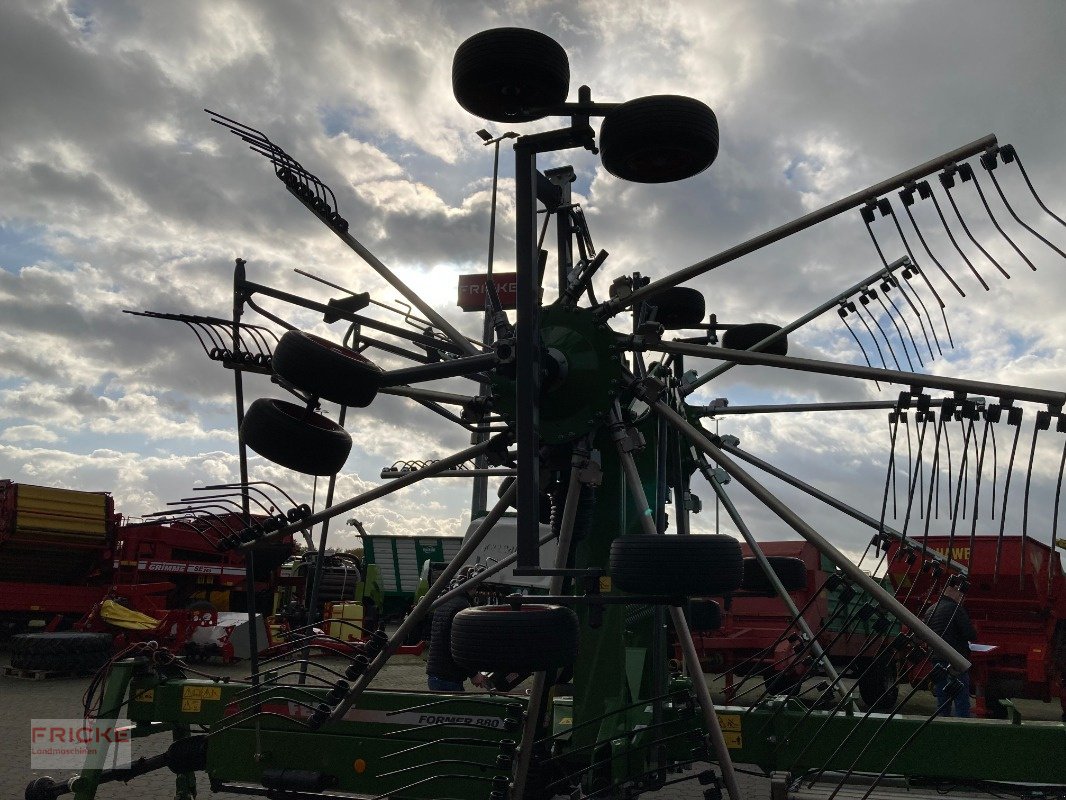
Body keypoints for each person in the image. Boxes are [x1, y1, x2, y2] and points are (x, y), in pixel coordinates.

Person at [426, 569, 484, 692]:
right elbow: (459, 645)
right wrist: (474, 674)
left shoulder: (445, 601)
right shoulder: (462, 607)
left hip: (436, 672)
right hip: (449, 676)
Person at [925, 582, 978, 717]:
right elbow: (970, 634)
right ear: (954, 592)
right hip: (955, 661)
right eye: (961, 594)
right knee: (961, 701)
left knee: (942, 698)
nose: (963, 598)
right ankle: (962, 729)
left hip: (936, 660)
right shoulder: (956, 609)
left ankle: (942, 727)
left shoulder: (930, 609)